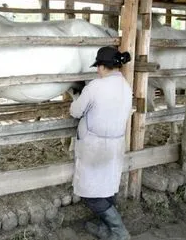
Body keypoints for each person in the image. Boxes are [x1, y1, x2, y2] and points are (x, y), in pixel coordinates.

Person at [69, 46, 133, 240]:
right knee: (107, 186)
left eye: (98, 66)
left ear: (104, 67)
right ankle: (107, 229)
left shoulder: (95, 87)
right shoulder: (125, 86)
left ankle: (119, 231)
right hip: (116, 144)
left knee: (91, 193)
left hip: (95, 146)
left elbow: (75, 111)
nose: (97, 70)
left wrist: (76, 99)